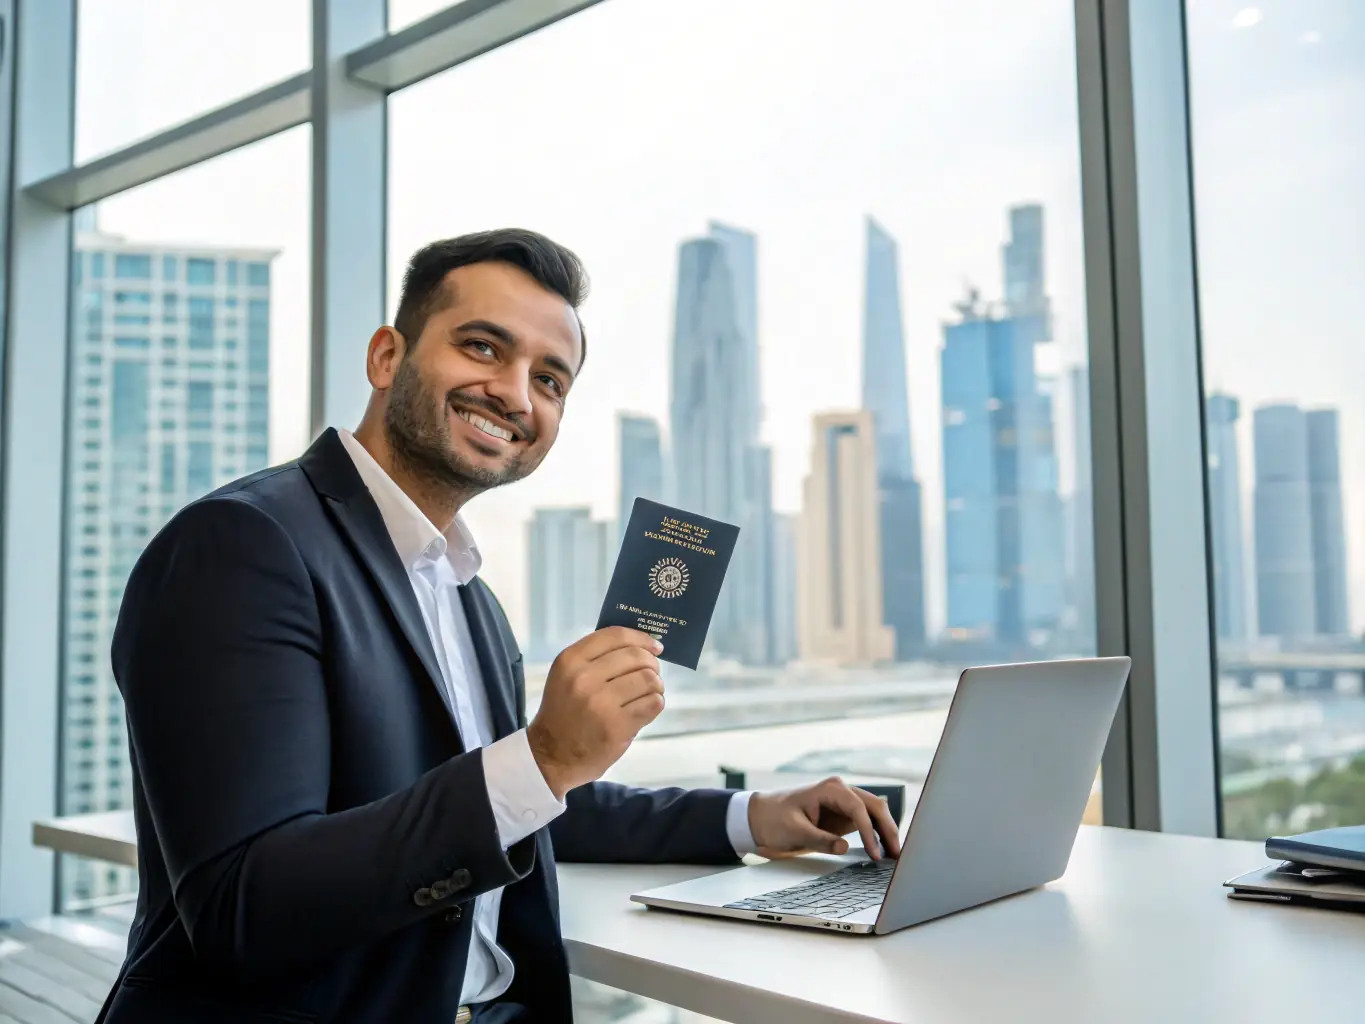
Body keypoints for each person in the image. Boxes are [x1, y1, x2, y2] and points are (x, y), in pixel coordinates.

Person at [97, 229, 902, 1024]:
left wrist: (754, 817)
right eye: (482, 347)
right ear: (386, 357)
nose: (516, 395)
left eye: (549, 380)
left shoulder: (468, 596)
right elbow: (245, 906)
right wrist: (546, 754)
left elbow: (524, 800)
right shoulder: (243, 544)